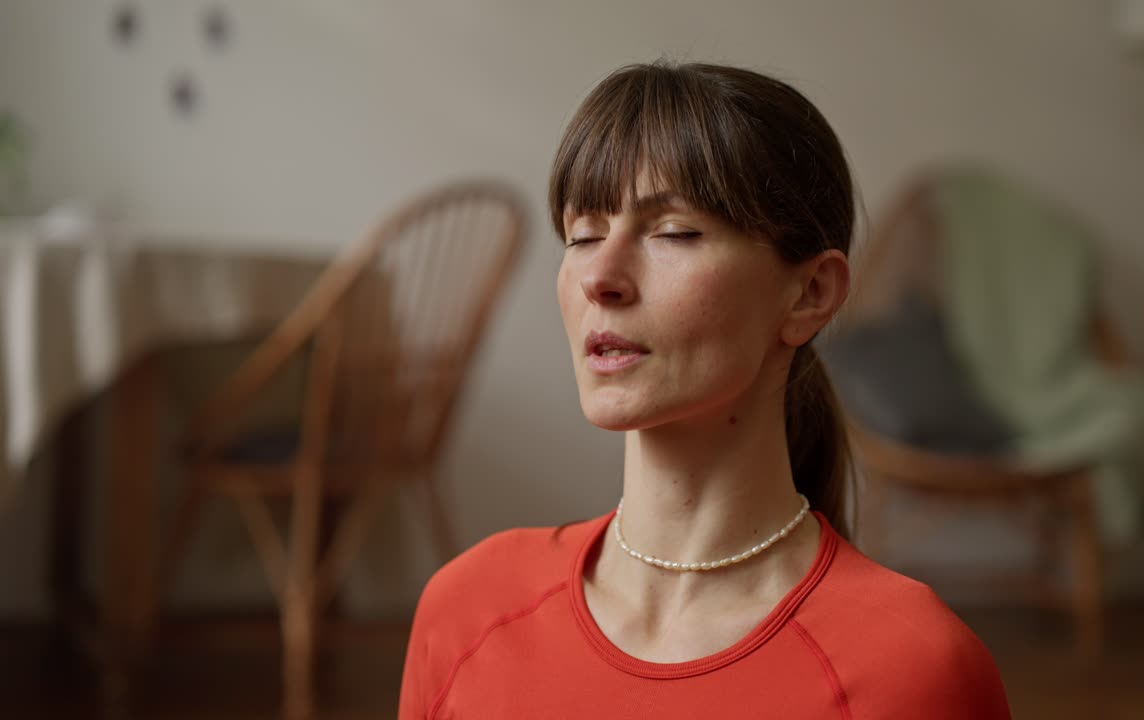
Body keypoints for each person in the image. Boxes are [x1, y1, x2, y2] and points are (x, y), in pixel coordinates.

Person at [399, 61, 1011, 719]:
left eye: (673, 232)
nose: (599, 276)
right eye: (582, 235)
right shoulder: (467, 608)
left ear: (810, 293)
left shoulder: (912, 667)